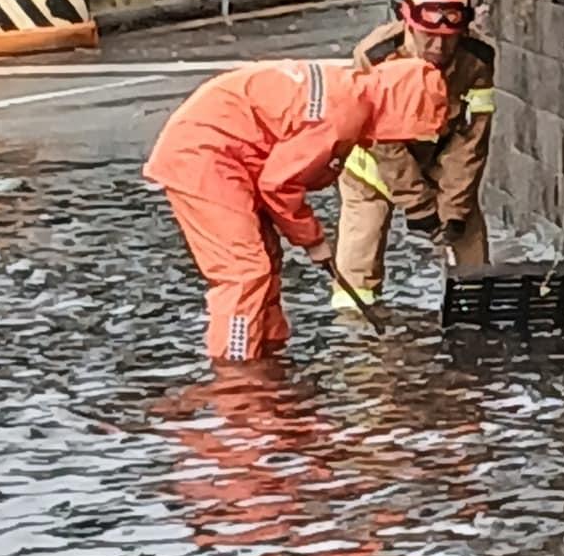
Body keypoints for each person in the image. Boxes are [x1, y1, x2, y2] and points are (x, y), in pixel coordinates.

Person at [144, 56, 448, 364]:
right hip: (203, 156)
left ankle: (269, 352)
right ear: (401, 111)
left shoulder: (347, 93)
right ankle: (237, 374)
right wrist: (313, 240)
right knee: (245, 273)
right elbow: (278, 185)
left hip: (223, 152)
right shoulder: (341, 115)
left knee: (266, 260)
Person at [333, 0, 495, 309]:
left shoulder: (477, 59)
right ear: (408, 20)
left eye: (450, 36)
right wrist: (419, 206)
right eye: (428, 34)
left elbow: (471, 139)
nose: (439, 45)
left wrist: (452, 209)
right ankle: (354, 335)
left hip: (438, 158)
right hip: (371, 168)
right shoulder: (375, 56)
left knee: (467, 232)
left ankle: (474, 308)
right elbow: (382, 141)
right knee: (357, 262)